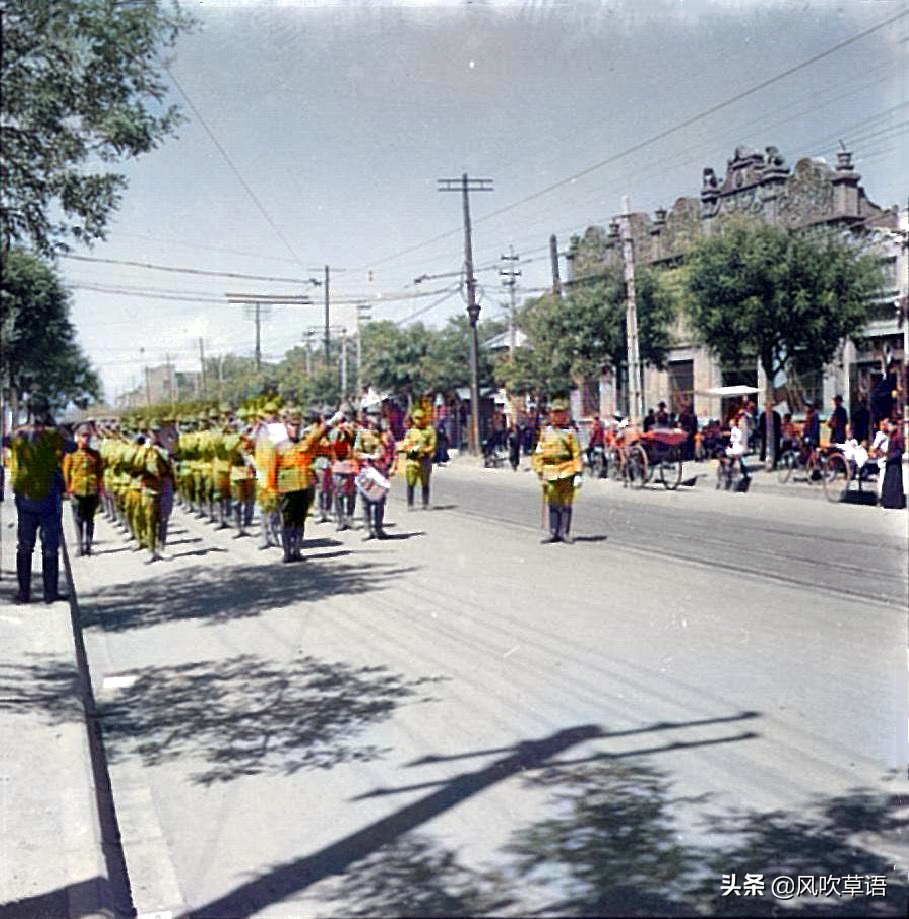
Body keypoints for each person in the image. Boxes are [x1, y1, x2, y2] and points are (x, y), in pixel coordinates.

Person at [9, 409, 67, 603]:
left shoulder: (17, 434)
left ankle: (23, 592)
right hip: (47, 499)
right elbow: (72, 446)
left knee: (24, 546)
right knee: (50, 547)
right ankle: (50, 593)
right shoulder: (52, 435)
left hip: (24, 498)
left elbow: (4, 442)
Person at [532, 396, 583, 544]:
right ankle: (553, 532)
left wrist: (578, 473)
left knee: (566, 502)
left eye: (560, 412)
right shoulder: (546, 432)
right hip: (550, 470)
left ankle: (564, 532)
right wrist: (538, 468)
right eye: (554, 412)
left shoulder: (570, 433)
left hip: (567, 469)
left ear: (565, 415)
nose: (557, 415)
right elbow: (539, 451)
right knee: (553, 500)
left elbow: (576, 453)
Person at [62, 423, 103, 556]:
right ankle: (80, 546)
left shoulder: (95, 455)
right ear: (77, 437)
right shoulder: (71, 456)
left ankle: (89, 545)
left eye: (88, 436)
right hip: (77, 492)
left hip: (91, 491)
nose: (86, 439)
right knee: (78, 520)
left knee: (90, 519)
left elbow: (100, 473)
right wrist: (69, 491)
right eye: (83, 436)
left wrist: (100, 489)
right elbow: (66, 474)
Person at [354, 409, 394, 539]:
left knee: (380, 501)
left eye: (376, 415)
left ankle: (379, 528)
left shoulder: (386, 434)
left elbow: (393, 451)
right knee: (365, 501)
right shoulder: (362, 434)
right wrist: (369, 456)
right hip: (367, 470)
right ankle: (368, 530)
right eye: (371, 415)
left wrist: (392, 466)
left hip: (381, 471)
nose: (374, 419)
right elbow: (356, 452)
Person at [399, 408, 437, 510]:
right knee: (410, 482)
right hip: (412, 460)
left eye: (420, 418)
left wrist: (424, 450)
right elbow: (405, 444)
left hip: (425, 459)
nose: (418, 420)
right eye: (416, 418)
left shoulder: (429, 430)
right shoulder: (410, 431)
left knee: (425, 482)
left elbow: (432, 445)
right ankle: (410, 504)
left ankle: (426, 503)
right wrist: (410, 449)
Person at [879, 417, 906, 510]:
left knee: (894, 484)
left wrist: (891, 457)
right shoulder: (892, 435)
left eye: (889, 425)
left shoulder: (898, 436)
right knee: (888, 483)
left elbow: (901, 450)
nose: (888, 427)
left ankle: (895, 503)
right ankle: (887, 502)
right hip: (890, 462)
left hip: (895, 463)